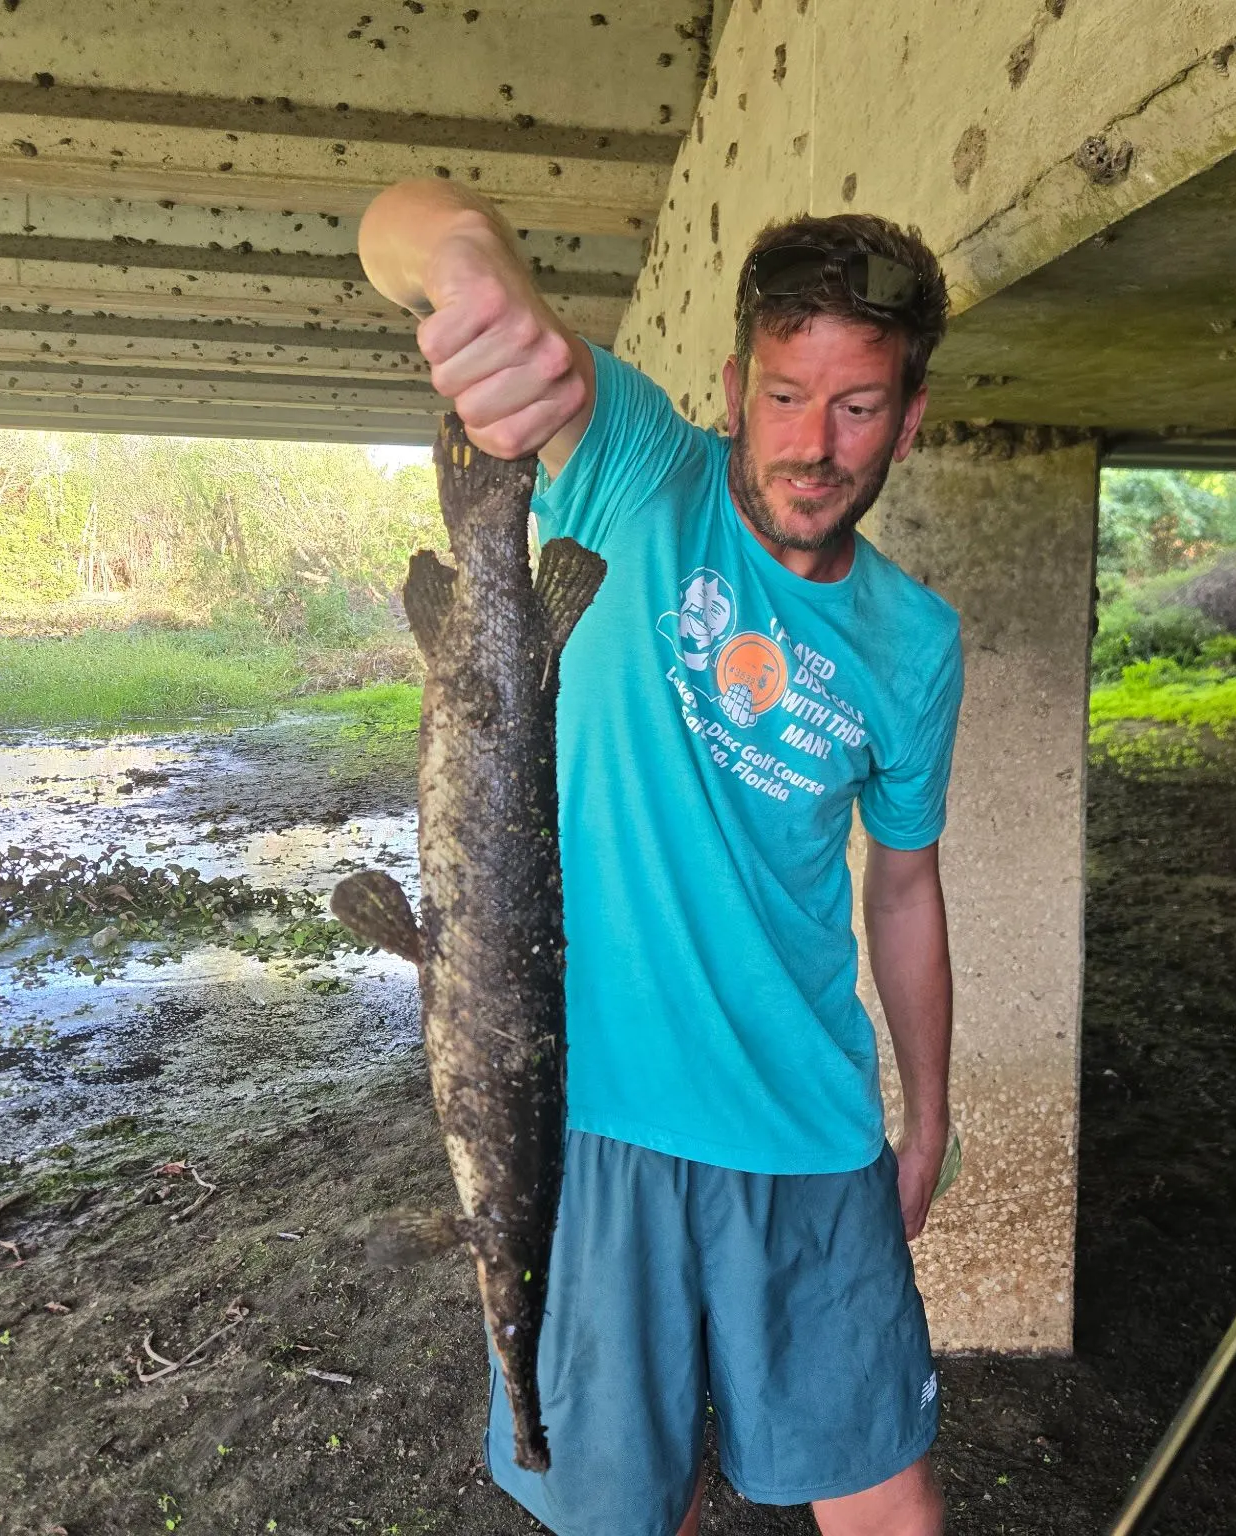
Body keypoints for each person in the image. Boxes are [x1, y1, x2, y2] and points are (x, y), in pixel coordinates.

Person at [358, 180, 965, 1536]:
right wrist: (463, 268)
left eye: (858, 406)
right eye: (788, 397)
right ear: (738, 386)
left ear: (908, 421)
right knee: (627, 1511)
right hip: (591, 1127)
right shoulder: (642, 468)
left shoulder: (915, 642)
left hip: (807, 1130)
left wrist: (927, 1117)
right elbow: (408, 223)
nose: (816, 445)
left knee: (889, 1504)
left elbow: (905, 885)